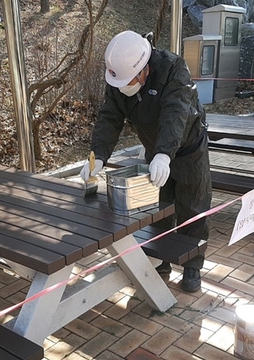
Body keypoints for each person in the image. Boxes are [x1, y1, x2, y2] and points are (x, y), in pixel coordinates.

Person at [80, 30, 212, 292]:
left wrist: (164, 154)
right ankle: (159, 259)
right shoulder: (120, 77)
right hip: (155, 150)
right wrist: (99, 156)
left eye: (130, 81)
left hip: (188, 148)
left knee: (193, 206)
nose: (124, 87)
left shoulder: (173, 69)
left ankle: (192, 266)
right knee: (158, 208)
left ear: (144, 69)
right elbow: (110, 117)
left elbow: (176, 112)